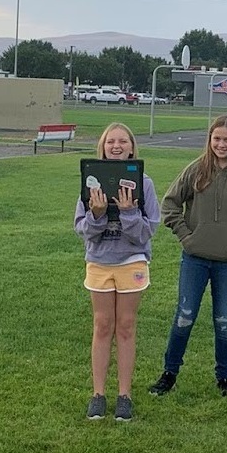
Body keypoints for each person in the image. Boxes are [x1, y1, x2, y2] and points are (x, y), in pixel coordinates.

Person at [148, 114, 227, 398]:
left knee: (224, 321)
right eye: (216, 138)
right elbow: (170, 205)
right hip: (195, 259)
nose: (221, 144)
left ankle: (224, 378)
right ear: (210, 140)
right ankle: (169, 374)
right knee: (184, 316)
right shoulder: (196, 171)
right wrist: (186, 236)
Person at [74, 122, 160, 421]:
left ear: (132, 147)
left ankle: (124, 395)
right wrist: (97, 215)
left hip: (132, 262)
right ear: (103, 146)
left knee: (125, 327)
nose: (117, 145)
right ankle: (98, 394)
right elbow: (83, 230)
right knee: (102, 326)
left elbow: (147, 232)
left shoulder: (144, 183)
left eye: (123, 141)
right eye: (111, 141)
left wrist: (129, 212)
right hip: (99, 262)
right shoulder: (90, 182)